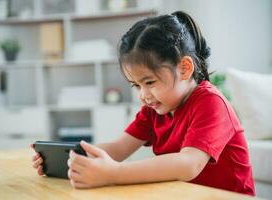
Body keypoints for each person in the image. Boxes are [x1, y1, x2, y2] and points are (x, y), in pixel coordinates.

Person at [31, 11, 255, 195]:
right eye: (136, 85)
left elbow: (188, 164)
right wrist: (69, 160)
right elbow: (118, 149)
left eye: (149, 82)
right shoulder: (154, 108)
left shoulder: (211, 102)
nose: (143, 95)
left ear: (185, 68)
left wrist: (114, 173)